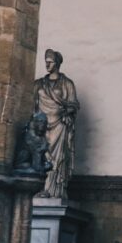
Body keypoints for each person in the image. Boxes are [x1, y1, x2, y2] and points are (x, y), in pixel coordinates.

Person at [34, 48, 80, 198]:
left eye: (50, 62)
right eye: (46, 62)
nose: (47, 65)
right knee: (41, 154)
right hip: (41, 127)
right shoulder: (38, 84)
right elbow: (31, 105)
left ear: (57, 63)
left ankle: (53, 190)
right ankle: (39, 187)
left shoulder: (67, 84)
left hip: (59, 126)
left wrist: (67, 112)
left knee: (56, 158)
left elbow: (73, 104)